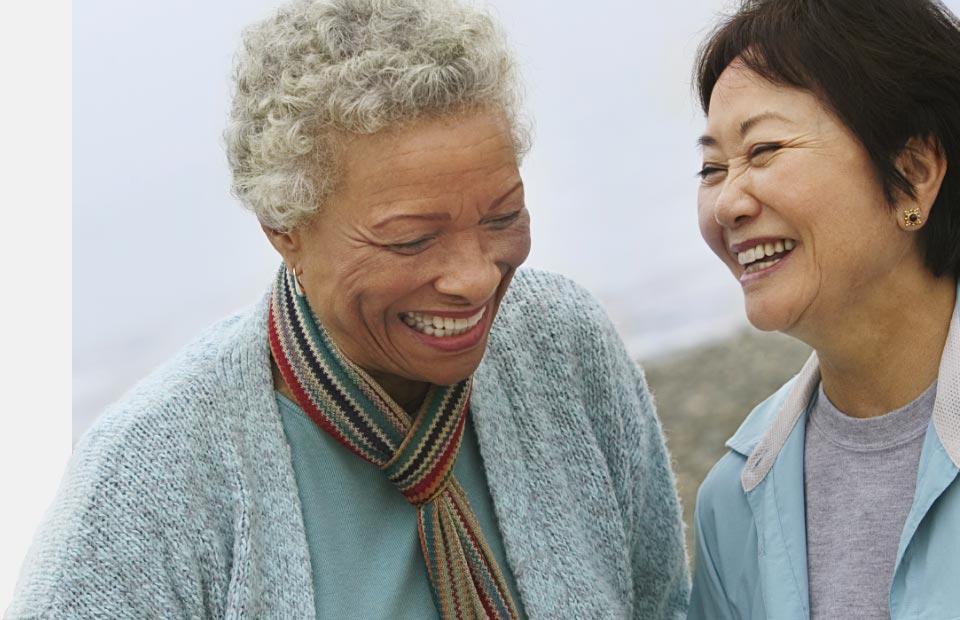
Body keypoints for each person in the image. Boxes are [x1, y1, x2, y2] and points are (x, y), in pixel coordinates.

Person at [7, 0, 689, 618]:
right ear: (285, 229)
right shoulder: (146, 486)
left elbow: (665, 605)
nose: (475, 278)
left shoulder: (562, 346)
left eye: (502, 216)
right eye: (411, 240)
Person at [688, 0, 960, 618]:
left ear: (914, 172)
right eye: (710, 168)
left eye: (762, 151)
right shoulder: (734, 499)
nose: (728, 202)